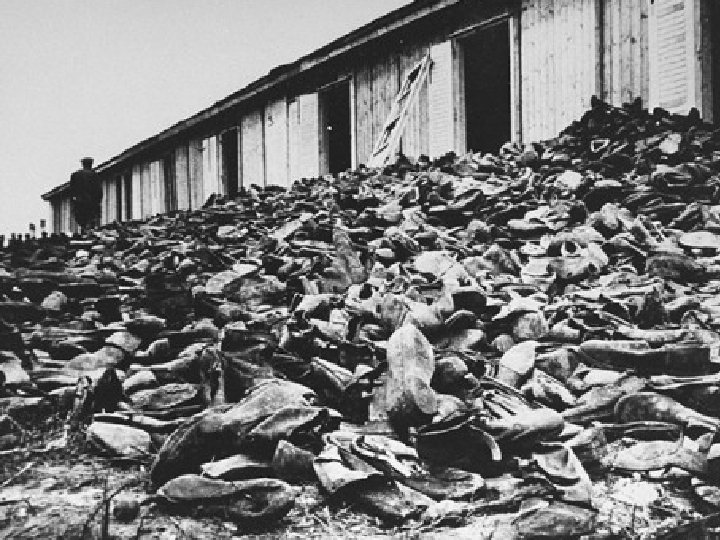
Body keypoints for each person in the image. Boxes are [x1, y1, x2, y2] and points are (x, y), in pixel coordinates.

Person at [69, 157, 102, 234]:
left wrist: (73, 200)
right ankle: (88, 231)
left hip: (79, 202)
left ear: (82, 164)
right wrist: (98, 201)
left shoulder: (75, 175)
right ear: (91, 164)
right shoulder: (95, 175)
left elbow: (71, 190)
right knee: (90, 220)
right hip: (92, 202)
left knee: (82, 219)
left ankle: (85, 230)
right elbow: (99, 190)